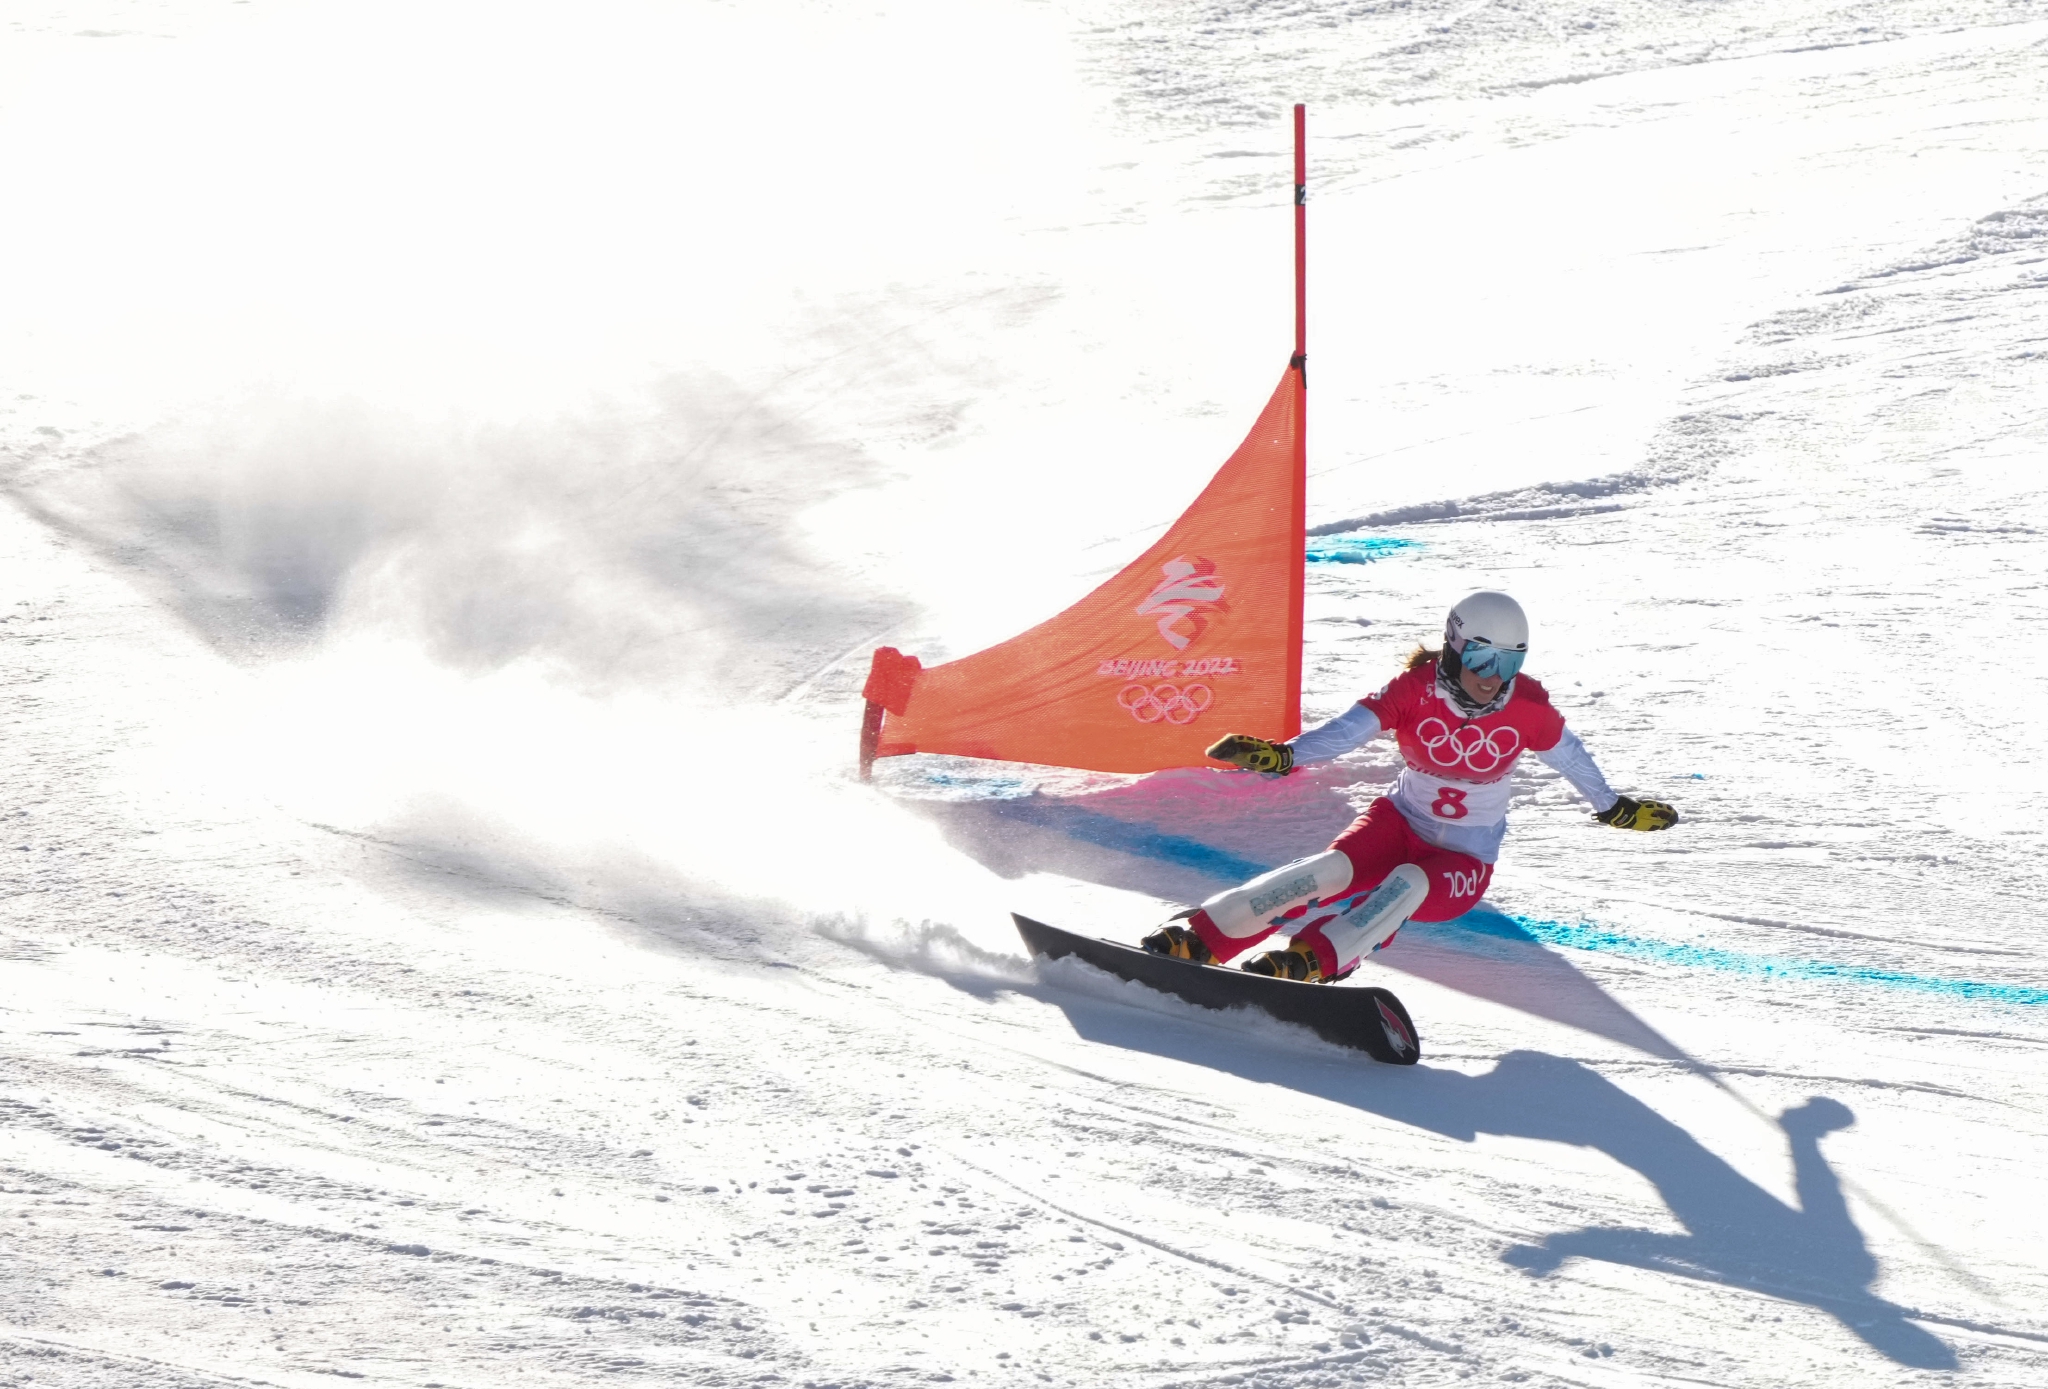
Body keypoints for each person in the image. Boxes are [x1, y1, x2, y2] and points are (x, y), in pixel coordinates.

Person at [1141, 591, 1676, 982]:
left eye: (1509, 662)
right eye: (1481, 658)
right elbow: (1349, 731)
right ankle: (1206, 936)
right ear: (1454, 646)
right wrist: (1285, 757)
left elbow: (1571, 756)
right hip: (1397, 824)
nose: (1492, 676)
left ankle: (1316, 960)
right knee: (1328, 871)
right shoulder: (1414, 691)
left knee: (1407, 884)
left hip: (1463, 860)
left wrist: (1614, 808)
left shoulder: (1527, 707)